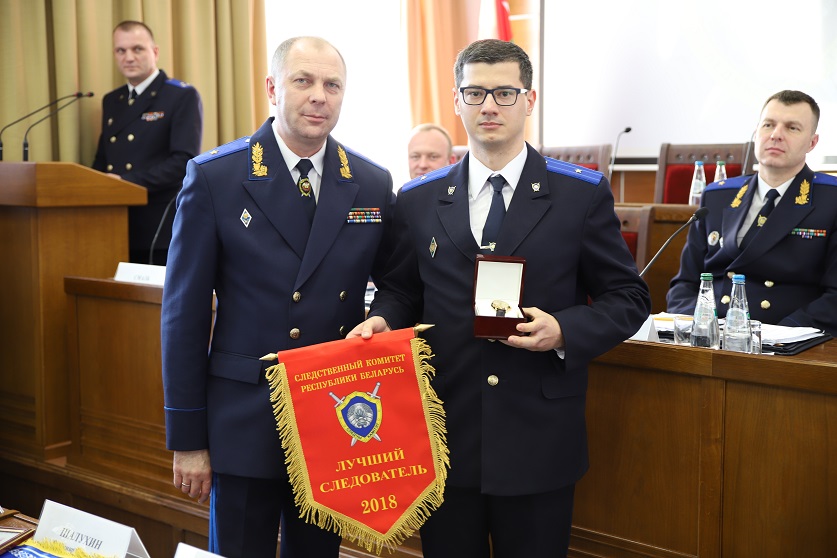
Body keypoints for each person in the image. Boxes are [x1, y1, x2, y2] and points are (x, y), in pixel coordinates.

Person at [348, 39, 650, 557]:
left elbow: (628, 296)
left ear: (529, 100)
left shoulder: (580, 194)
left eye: (505, 93)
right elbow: (402, 290)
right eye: (476, 93)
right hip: (445, 436)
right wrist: (384, 319)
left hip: (537, 438)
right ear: (457, 100)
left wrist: (565, 330)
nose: (489, 105)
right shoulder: (418, 199)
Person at [161, 36, 395, 558]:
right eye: (303, 81)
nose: (319, 96)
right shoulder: (217, 176)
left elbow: (399, 283)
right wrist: (189, 438)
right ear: (272, 88)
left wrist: (382, 316)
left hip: (333, 416)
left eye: (332, 85)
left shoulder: (370, 182)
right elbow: (183, 318)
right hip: (246, 417)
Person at [667, 90, 837, 335]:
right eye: (768, 125)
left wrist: (777, 337)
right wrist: (696, 327)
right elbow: (686, 283)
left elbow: (834, 298)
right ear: (756, 133)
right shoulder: (717, 196)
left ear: (812, 142)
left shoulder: (830, 199)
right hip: (711, 336)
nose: (776, 135)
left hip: (786, 340)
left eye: (792, 128)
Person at [92, 20, 203, 265]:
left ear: (155, 52)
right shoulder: (112, 101)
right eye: (121, 50)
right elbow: (103, 159)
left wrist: (125, 182)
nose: (129, 57)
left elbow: (183, 162)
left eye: (137, 49)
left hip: (157, 222)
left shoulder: (180, 95)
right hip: (112, 220)